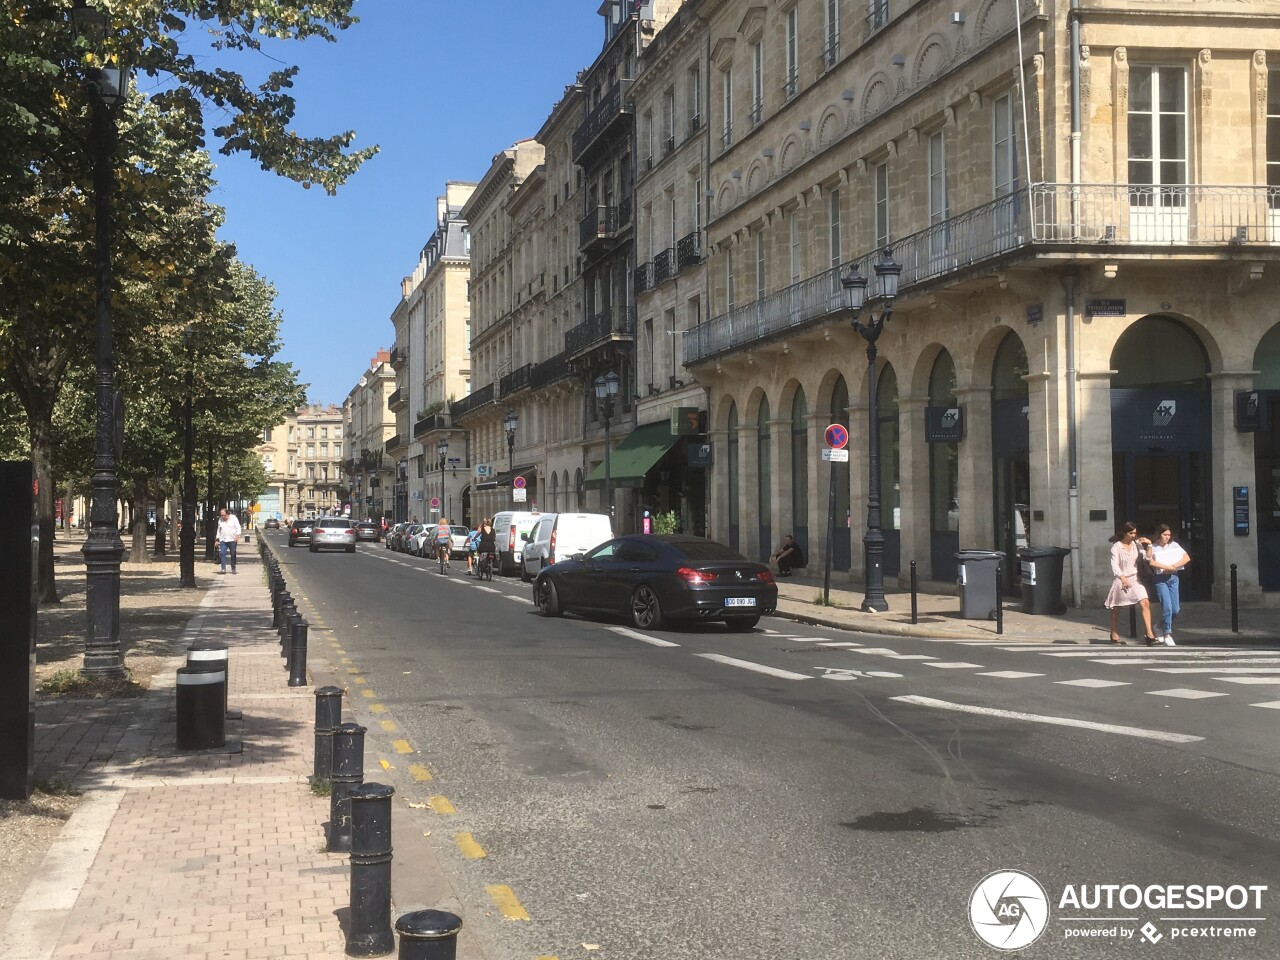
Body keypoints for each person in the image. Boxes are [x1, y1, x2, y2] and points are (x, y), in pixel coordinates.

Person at [1104, 521, 1157, 645]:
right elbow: (1114, 564)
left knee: (1145, 602)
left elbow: (1147, 558)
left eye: (1135, 533)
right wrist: (1122, 578)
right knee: (1116, 608)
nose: (1134, 535)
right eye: (1131, 533)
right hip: (1121, 578)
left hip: (1135, 578)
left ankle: (1149, 633)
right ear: (1124, 533)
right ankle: (1114, 632)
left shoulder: (1136, 545)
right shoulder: (1116, 546)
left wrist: (1149, 545)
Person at [1146, 523, 1190, 646]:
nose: (1167, 537)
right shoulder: (1154, 547)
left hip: (1173, 577)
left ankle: (1159, 626)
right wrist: (1165, 567)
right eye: (1164, 534)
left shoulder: (1174, 545)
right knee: (1167, 607)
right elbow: (1150, 561)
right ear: (1159, 534)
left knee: (1175, 609)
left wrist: (1173, 566)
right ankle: (1167, 634)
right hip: (1160, 578)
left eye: (1169, 535)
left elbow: (1186, 558)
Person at [216, 507, 242, 574]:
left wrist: (237, 535)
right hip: (223, 540)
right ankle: (223, 568)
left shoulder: (233, 518)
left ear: (227, 514)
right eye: (221, 515)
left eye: (224, 515)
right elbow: (218, 530)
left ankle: (233, 568)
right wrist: (217, 539)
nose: (222, 517)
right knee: (222, 553)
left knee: (233, 553)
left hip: (232, 539)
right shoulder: (220, 520)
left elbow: (238, 527)